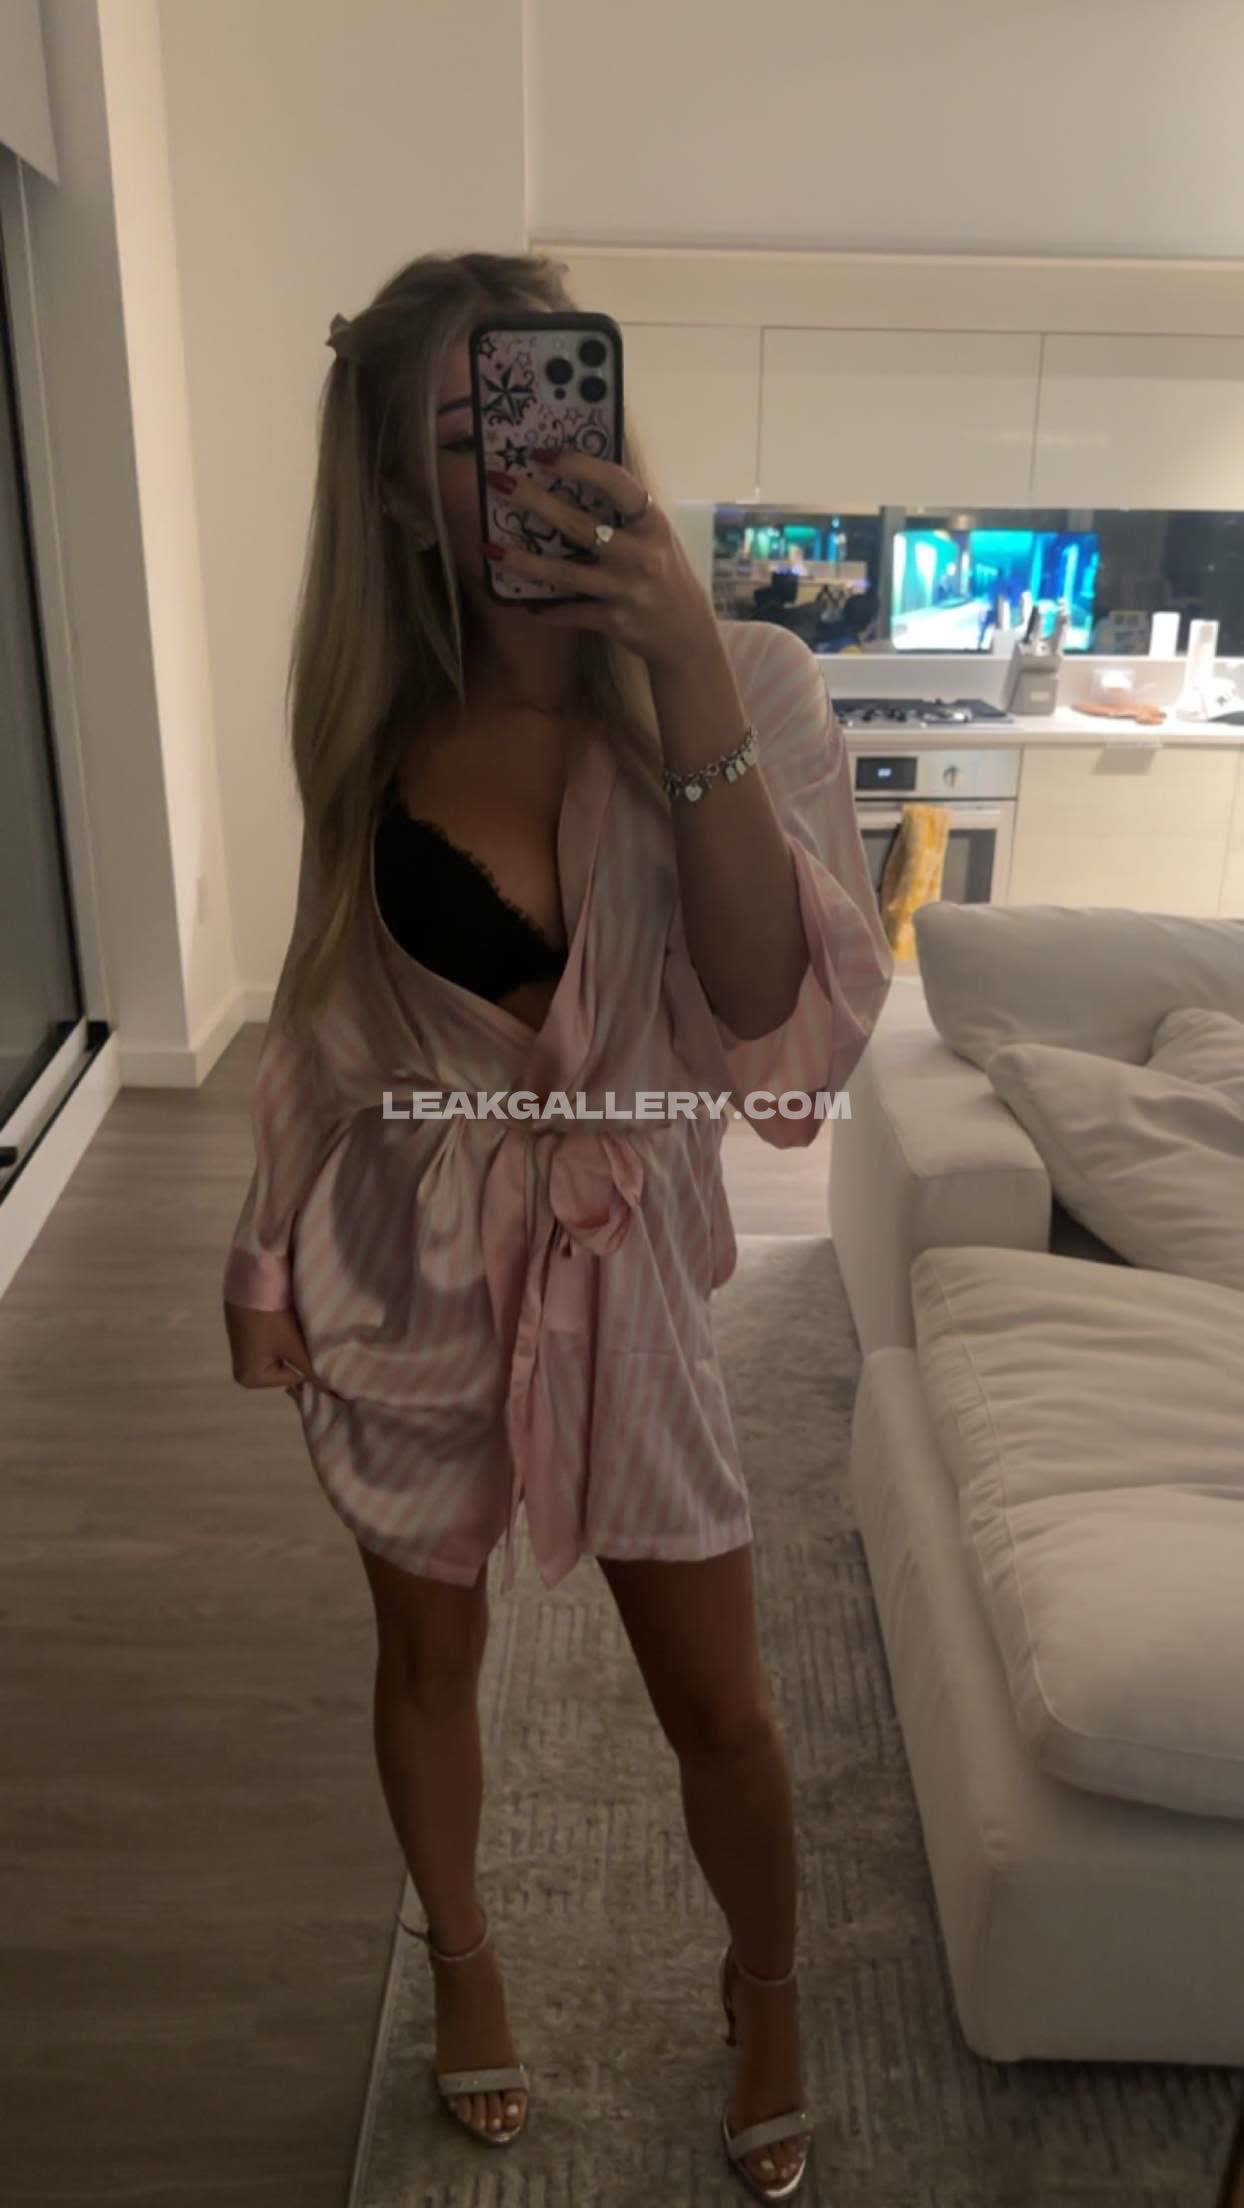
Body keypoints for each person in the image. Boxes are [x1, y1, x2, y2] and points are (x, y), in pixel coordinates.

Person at [221, 248, 893, 2199]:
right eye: (466, 436)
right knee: (425, 1661)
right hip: (401, 1256)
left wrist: (686, 673)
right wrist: (262, 1243)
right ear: (391, 491)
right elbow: (328, 1017)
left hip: (628, 1267)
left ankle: (764, 1992)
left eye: (544, 412)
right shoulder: (374, 721)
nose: (524, 467)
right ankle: (464, 1964)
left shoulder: (746, 676)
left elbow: (764, 1018)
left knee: (724, 1704)